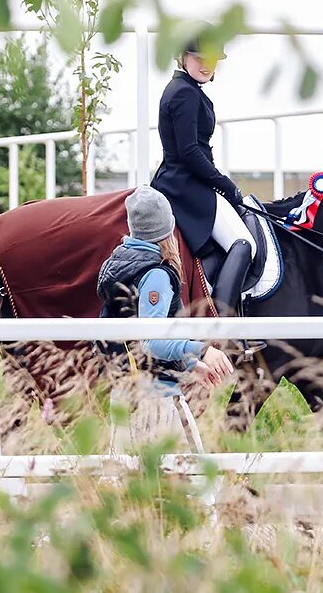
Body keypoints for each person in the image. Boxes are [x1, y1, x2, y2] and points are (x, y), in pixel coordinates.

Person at [96, 186, 234, 452]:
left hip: (126, 393)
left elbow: (137, 336)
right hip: (156, 398)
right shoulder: (155, 274)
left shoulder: (119, 262)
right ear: (166, 227)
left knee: (129, 482)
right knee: (192, 480)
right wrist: (203, 351)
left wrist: (190, 364)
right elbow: (152, 341)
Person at [150, 35, 258, 317]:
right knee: (243, 244)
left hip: (183, 181)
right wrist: (224, 183)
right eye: (200, 58)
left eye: (211, 59)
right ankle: (219, 327)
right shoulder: (184, 93)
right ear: (183, 57)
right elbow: (189, 152)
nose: (207, 65)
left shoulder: (185, 89)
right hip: (184, 185)